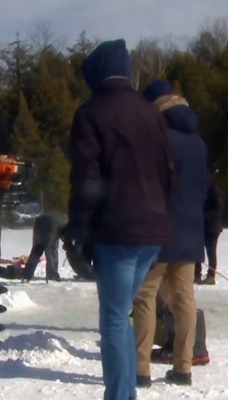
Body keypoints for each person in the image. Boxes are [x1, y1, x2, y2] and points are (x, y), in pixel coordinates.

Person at [61, 39, 172, 400]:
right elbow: (168, 171)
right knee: (121, 313)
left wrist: (77, 227)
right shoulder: (151, 112)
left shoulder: (92, 112)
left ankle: (120, 395)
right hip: (152, 229)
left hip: (118, 230)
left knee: (113, 318)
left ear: (95, 74)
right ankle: (125, 393)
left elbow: (87, 177)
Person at [132, 80, 209, 388]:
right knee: (184, 299)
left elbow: (145, 186)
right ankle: (183, 367)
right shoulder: (198, 141)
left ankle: (141, 369)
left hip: (157, 230)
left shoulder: (155, 138)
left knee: (144, 297)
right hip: (191, 230)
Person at [22, 213, 68, 282]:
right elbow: (67, 235)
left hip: (39, 222)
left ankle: (27, 274)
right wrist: (67, 244)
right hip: (52, 225)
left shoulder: (68, 219)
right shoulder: (72, 225)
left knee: (36, 249)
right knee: (51, 251)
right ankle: (52, 275)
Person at [196, 176, 224, 285]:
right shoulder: (201, 191)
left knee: (211, 252)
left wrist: (202, 216)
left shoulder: (215, 191)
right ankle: (196, 274)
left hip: (212, 227)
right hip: (200, 227)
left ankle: (211, 275)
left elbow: (218, 210)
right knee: (197, 251)